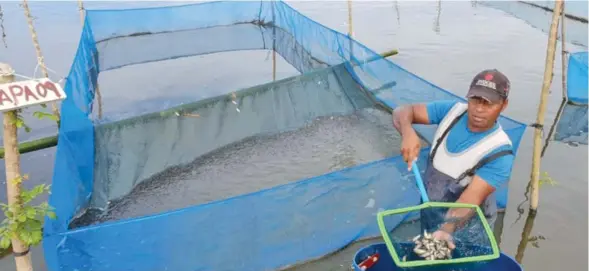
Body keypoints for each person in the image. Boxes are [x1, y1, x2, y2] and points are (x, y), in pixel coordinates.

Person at [392, 69, 515, 249]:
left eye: (488, 104)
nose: (479, 109)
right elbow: (402, 111)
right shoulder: (452, 112)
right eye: (475, 100)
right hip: (431, 208)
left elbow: (469, 200)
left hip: (468, 228)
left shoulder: (500, 152)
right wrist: (407, 131)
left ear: (503, 105)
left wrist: (446, 229)